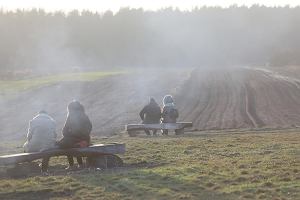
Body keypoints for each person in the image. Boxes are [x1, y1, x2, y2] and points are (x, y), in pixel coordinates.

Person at [57, 100, 92, 170]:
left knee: (64, 145)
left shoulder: (70, 116)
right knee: (73, 144)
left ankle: (71, 165)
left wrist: (68, 135)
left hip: (73, 139)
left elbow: (64, 131)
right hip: (85, 139)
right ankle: (80, 164)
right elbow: (90, 127)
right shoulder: (84, 115)